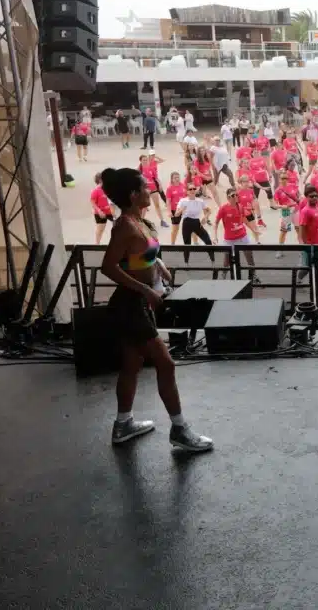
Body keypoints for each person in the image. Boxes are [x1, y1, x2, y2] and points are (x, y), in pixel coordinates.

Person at [97, 167, 213, 452]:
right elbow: (108, 266)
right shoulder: (125, 224)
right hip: (130, 305)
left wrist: (158, 266)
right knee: (166, 364)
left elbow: (138, 256)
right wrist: (146, 290)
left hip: (136, 304)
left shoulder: (140, 221)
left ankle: (123, 424)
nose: (152, 190)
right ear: (135, 195)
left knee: (132, 365)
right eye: (146, 187)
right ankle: (180, 430)